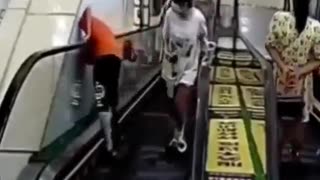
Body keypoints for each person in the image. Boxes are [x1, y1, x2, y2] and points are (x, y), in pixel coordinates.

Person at [265, 0, 320, 153]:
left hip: (279, 80)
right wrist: (300, 71)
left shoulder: (279, 18)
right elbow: (318, 59)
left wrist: (283, 66)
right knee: (299, 121)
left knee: (277, 121)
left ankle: (275, 159)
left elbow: (269, 45)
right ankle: (295, 153)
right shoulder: (315, 27)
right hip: (300, 85)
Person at [79, 7, 132, 156]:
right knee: (112, 101)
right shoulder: (100, 26)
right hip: (115, 58)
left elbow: (87, 10)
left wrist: (87, 32)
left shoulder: (83, 22)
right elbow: (89, 58)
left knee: (102, 102)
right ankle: (117, 136)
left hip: (103, 60)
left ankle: (109, 146)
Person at [162, 0, 209, 153]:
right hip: (172, 66)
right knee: (171, 104)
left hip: (190, 67)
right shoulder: (170, 15)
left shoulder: (198, 18)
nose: (183, 9)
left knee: (181, 99)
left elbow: (203, 39)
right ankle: (176, 133)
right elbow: (165, 37)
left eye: (186, 6)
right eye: (180, 5)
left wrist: (205, 54)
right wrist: (168, 53)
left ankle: (180, 136)